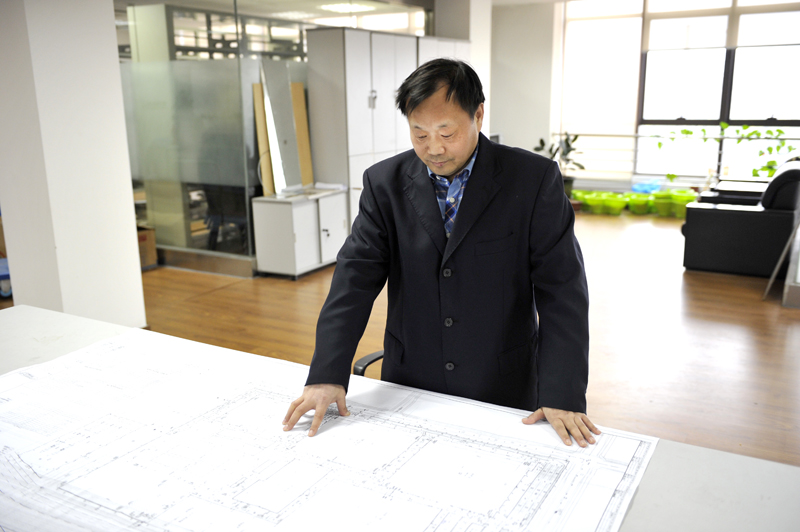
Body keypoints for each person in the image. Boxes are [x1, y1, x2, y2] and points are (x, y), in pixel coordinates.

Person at [283, 58, 599, 447]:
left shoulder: (532, 180)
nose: (434, 148)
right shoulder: (384, 183)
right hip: (411, 380)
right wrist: (326, 374)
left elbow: (562, 290)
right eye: (420, 134)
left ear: (478, 115)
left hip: (502, 382)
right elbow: (354, 279)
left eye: (447, 133)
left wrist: (562, 393)